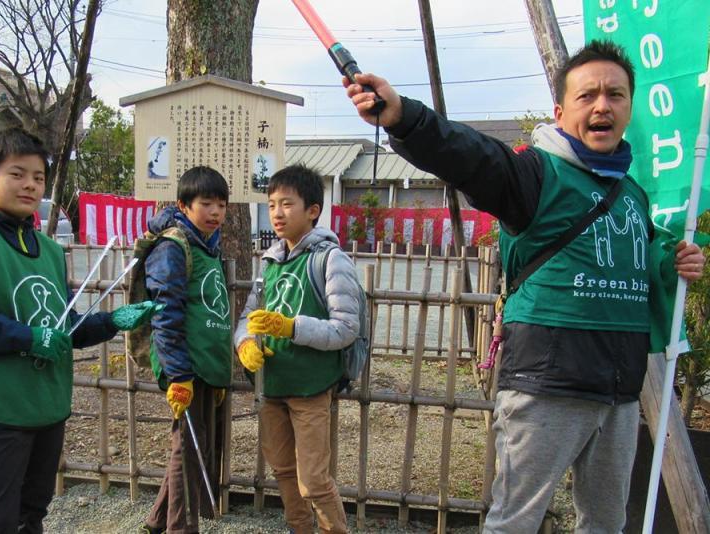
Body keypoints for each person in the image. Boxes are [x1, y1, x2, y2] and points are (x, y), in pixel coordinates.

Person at [345, 40, 705, 532]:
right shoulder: (534, 174)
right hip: (546, 385)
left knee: (606, 523)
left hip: (620, 389)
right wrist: (405, 117)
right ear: (561, 111)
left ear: (629, 108)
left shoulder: (632, 194)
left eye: (616, 95)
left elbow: (641, 257)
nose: (602, 105)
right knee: (515, 521)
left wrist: (674, 261)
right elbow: (470, 156)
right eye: (588, 95)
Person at [0, 127, 159, 534]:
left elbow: (61, 325)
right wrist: (27, 338)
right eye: (17, 174)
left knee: (33, 511)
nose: (30, 184)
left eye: (38, 177)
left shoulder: (48, 249)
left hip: (45, 403)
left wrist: (111, 321)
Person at [234, 165, 359, 534]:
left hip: (310, 388)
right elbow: (247, 317)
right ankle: (299, 528)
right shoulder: (270, 262)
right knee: (284, 471)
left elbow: (346, 328)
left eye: (287, 204)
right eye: (272, 204)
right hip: (272, 384)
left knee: (314, 480)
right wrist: (244, 344)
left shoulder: (331, 259)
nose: (276, 213)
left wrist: (292, 327)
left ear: (313, 210)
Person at [140, 166, 232, 534]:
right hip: (186, 366)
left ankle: (158, 520)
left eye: (222, 205)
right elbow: (166, 312)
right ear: (183, 204)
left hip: (206, 363)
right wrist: (178, 374)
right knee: (189, 449)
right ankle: (180, 528)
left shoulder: (208, 245)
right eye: (206, 204)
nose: (215, 212)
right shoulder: (173, 246)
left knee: (194, 447)